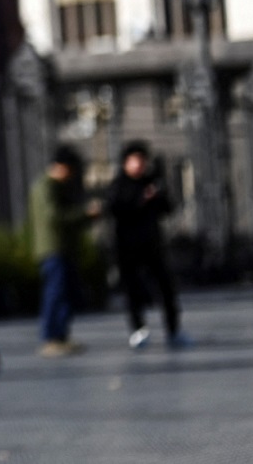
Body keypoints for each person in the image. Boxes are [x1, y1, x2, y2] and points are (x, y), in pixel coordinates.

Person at [106, 141, 189, 350]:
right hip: (127, 247)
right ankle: (138, 329)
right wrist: (141, 199)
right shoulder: (119, 185)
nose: (138, 165)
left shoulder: (152, 182)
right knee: (133, 291)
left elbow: (168, 208)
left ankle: (174, 330)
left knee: (166, 288)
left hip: (152, 244)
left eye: (142, 161)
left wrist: (157, 196)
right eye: (134, 161)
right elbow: (115, 209)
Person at [30, 145, 96, 357]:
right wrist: (84, 214)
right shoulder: (45, 187)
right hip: (53, 248)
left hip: (62, 248)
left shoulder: (56, 187)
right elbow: (54, 217)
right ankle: (50, 337)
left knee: (65, 292)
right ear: (61, 167)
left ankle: (61, 335)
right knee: (55, 293)